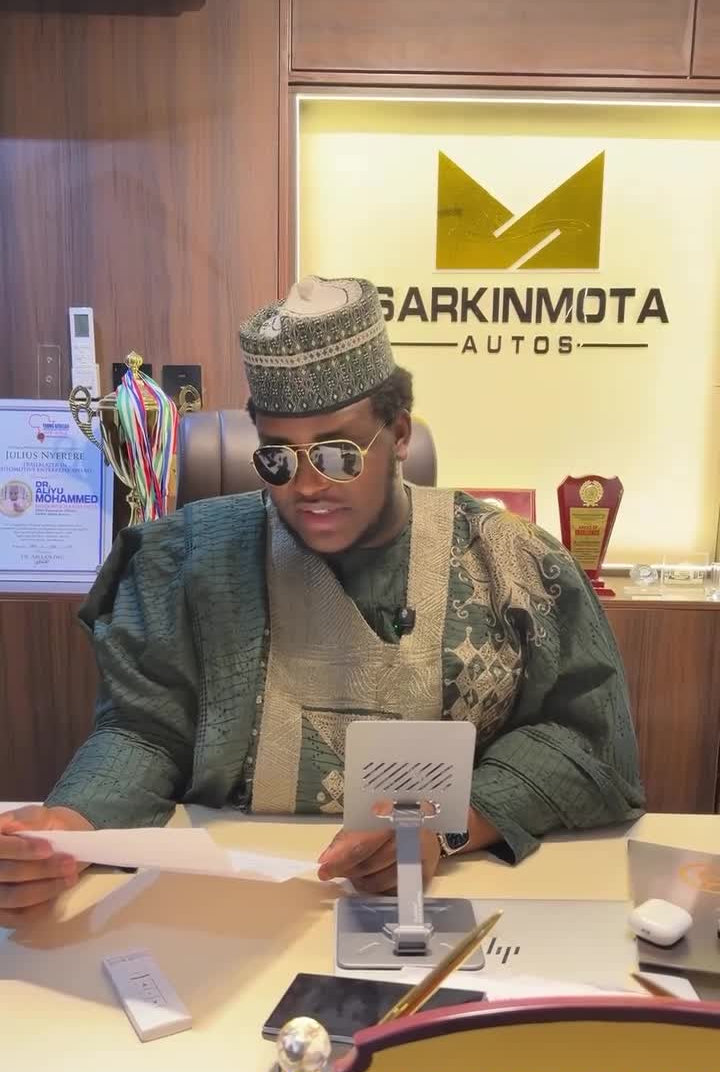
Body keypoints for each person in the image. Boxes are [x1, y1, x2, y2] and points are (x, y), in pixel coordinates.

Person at [0, 276, 644, 927]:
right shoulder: (191, 560)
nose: (307, 486)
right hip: (233, 907)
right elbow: (145, 733)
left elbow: (584, 741)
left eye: (338, 455)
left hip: (446, 903)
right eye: (279, 459)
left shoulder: (511, 565)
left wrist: (448, 824)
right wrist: (70, 826)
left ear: (397, 435)